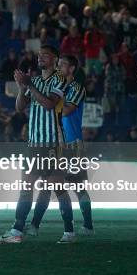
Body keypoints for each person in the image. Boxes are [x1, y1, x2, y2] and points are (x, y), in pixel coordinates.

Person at [0, 45, 75, 244]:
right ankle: (17, 230)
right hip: (34, 143)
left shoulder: (59, 79)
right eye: (39, 55)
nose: (40, 58)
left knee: (58, 187)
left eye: (45, 55)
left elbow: (49, 104)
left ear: (55, 59)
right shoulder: (35, 81)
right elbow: (20, 108)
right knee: (26, 187)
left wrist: (29, 85)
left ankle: (69, 231)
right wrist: (22, 89)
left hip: (52, 142)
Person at [58, 55, 94, 234]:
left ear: (72, 69)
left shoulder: (76, 88)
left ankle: (85, 225)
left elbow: (66, 111)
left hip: (73, 144)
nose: (59, 67)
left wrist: (50, 103)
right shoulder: (59, 88)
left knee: (77, 186)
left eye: (62, 64)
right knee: (56, 185)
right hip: (58, 144)